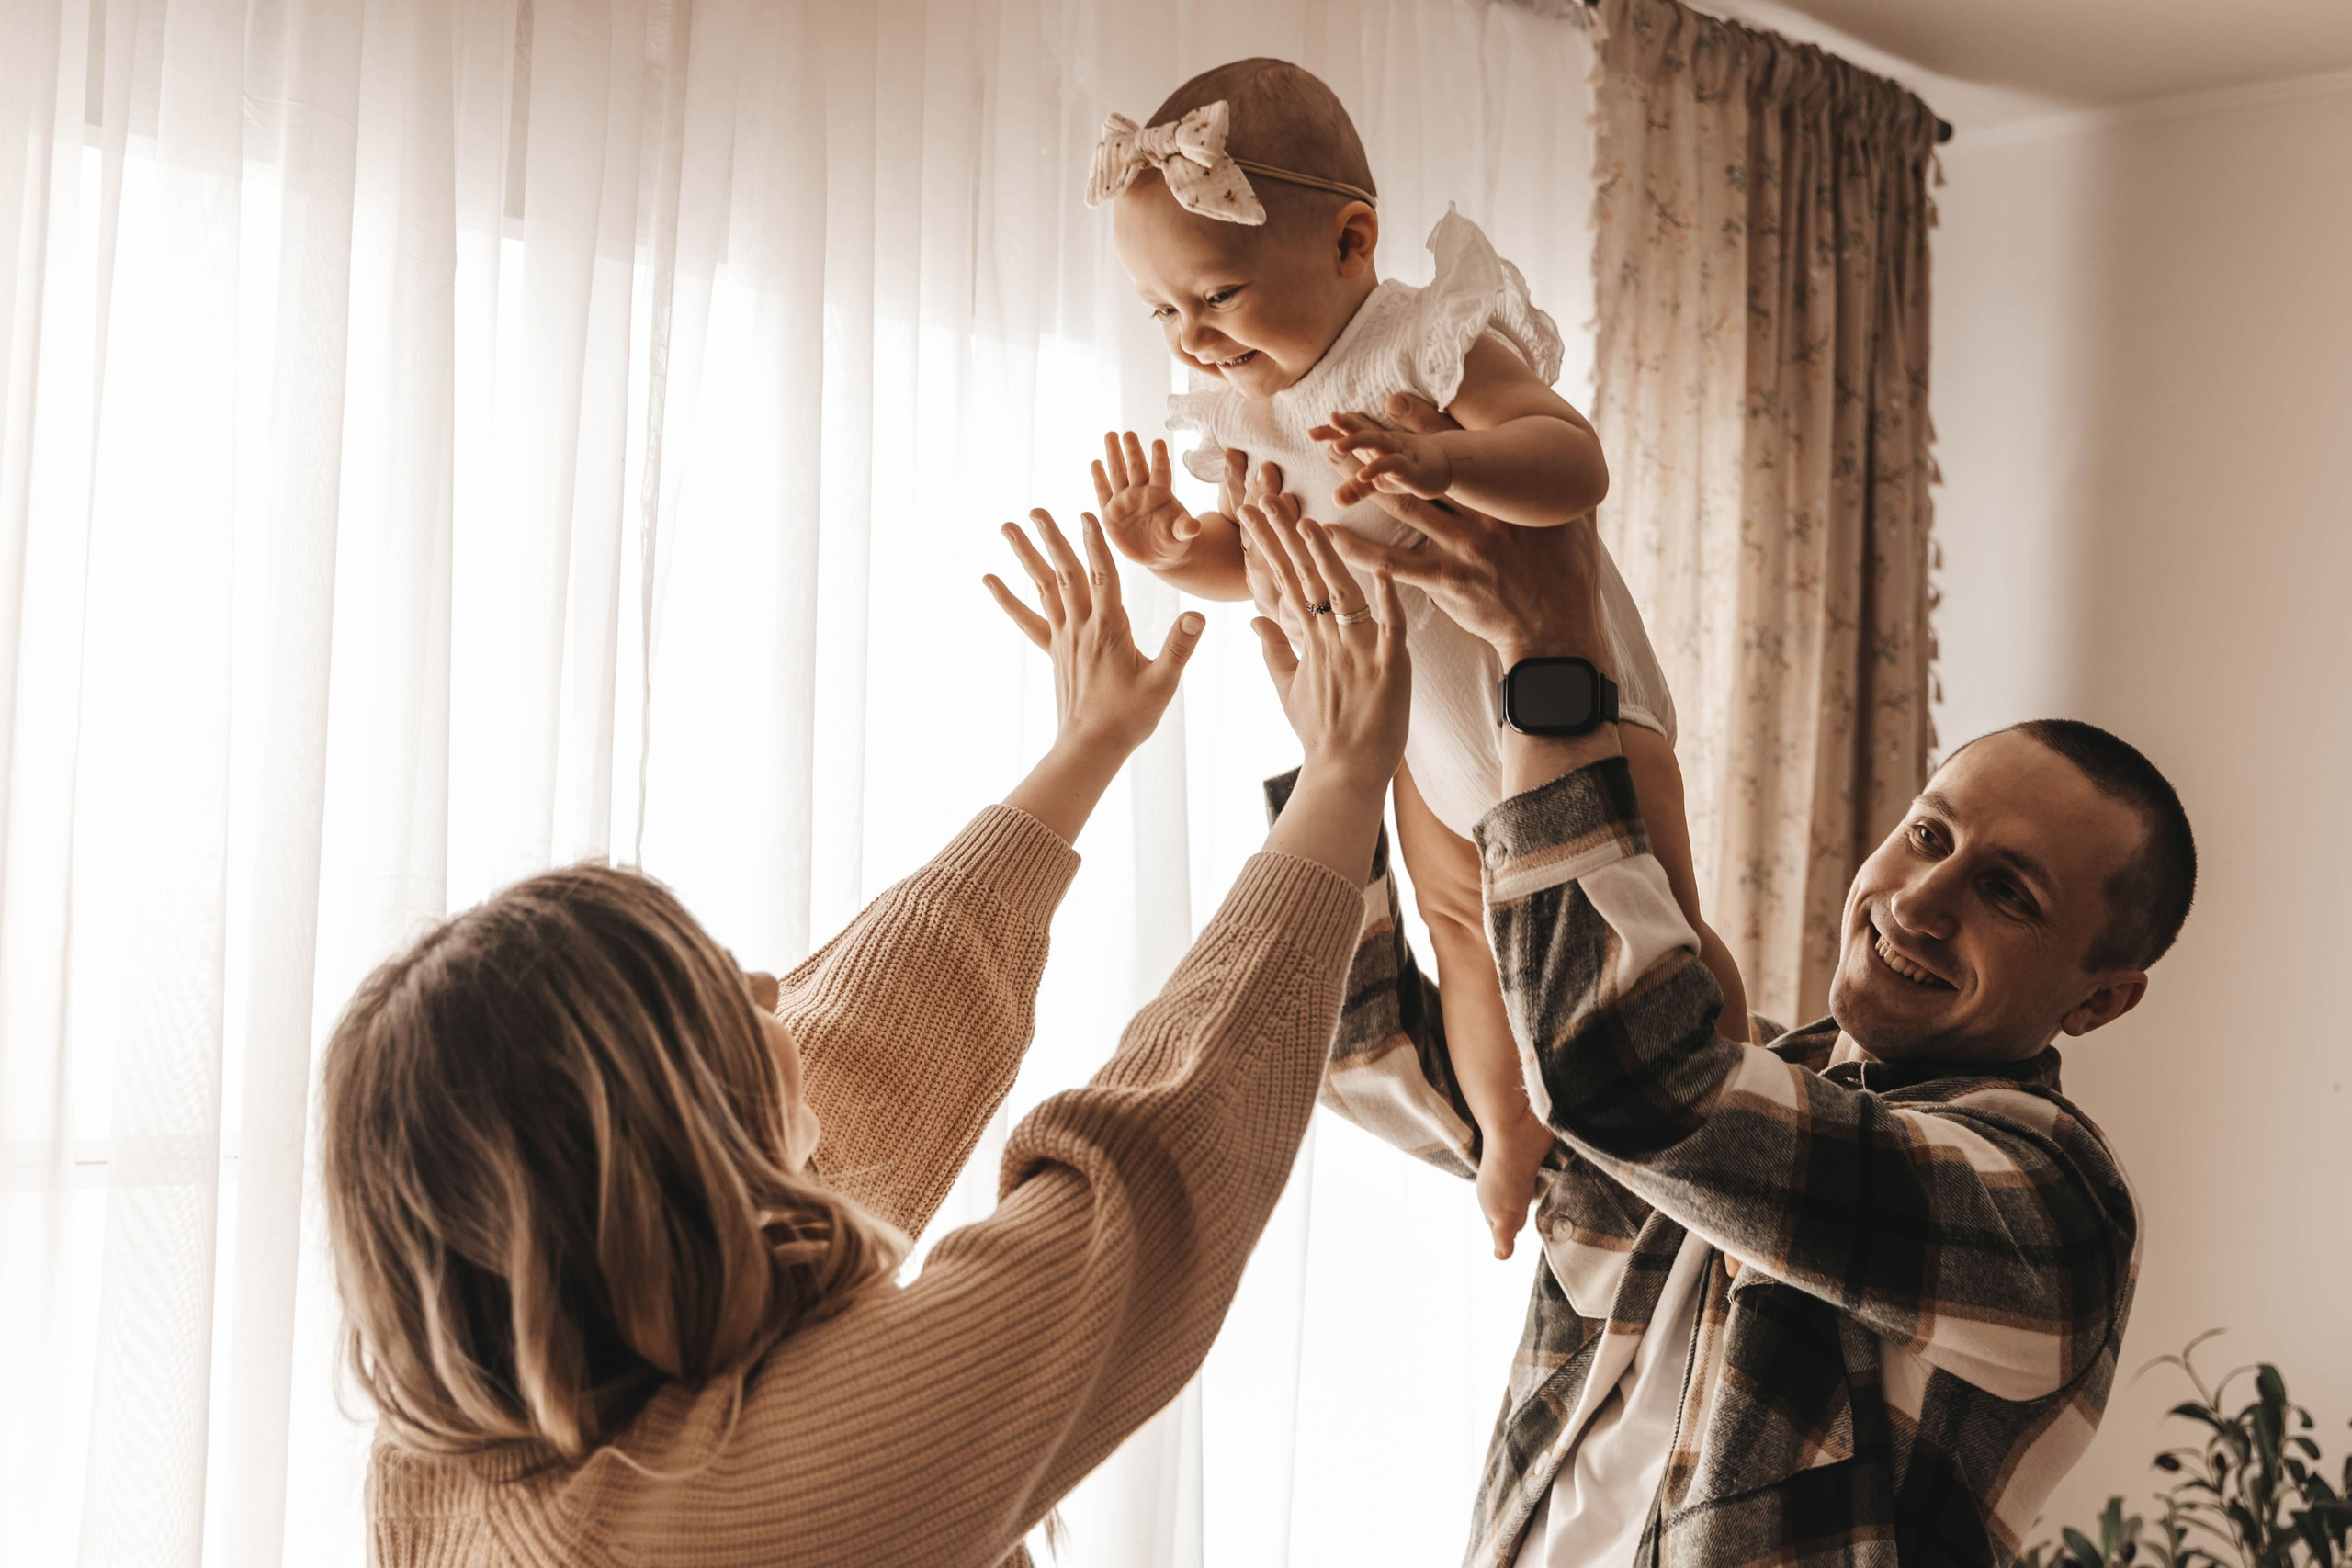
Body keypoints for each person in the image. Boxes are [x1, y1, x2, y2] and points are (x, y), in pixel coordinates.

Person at [322, 502, 1412, 1566]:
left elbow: (869, 1051)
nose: (767, 982)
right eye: (717, 1000)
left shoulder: (468, 1427)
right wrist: (1342, 776)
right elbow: (1136, 1195)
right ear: (662, 1152)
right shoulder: (727, 1508)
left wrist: (1087, 744)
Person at [1255, 437, 2189, 1565]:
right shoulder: (1747, 1081)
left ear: (2100, 1001)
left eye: (2006, 891)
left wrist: (1551, 665)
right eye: (1928, 836)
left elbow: (1629, 1081)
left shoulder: (2050, 1207)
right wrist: (1339, 767)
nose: (1919, 900)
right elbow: (1366, 1063)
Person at [1081, 56, 1753, 1263]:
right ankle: (1508, 1133)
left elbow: (1572, 459)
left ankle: (1731, 1110)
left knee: (1662, 924)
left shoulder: (1423, 344)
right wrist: (1180, 552)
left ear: (1351, 243)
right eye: (1164, 313)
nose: (1194, 338)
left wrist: (1451, 462)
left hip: (1569, 705)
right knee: (1461, 941)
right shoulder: (1258, 410)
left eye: (1218, 294)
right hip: (1432, 754)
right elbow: (1275, 556)